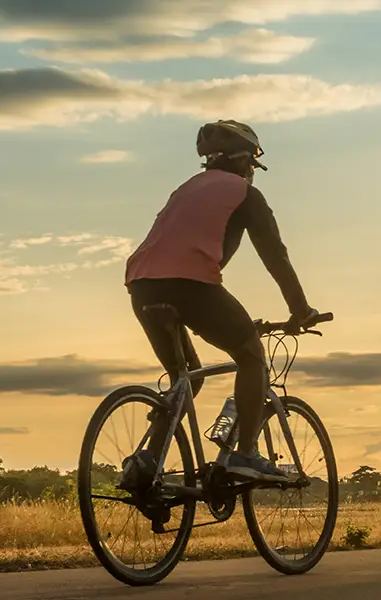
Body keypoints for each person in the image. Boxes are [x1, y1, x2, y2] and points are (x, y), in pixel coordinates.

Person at [121, 119, 321, 485]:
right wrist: (299, 309)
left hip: (142, 286)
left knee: (186, 378)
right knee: (250, 353)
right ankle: (244, 453)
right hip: (190, 285)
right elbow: (275, 255)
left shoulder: (187, 189)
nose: (252, 173)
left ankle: (147, 459)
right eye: (253, 165)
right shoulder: (244, 193)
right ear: (245, 160)